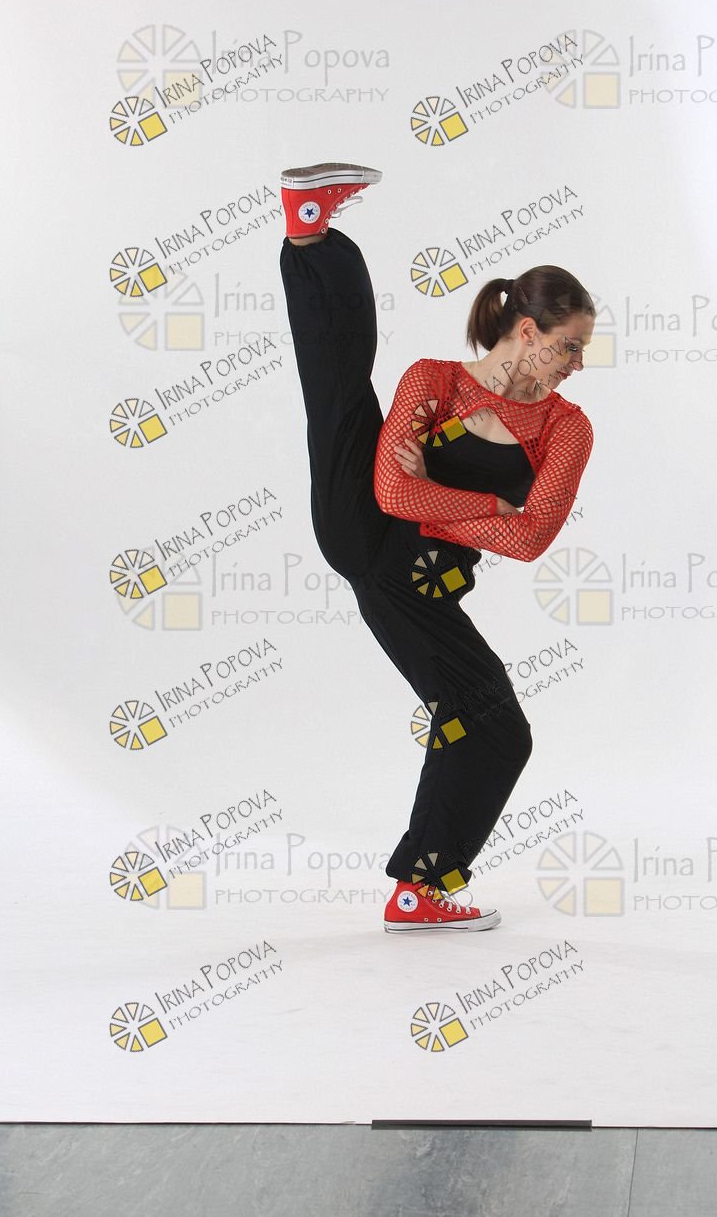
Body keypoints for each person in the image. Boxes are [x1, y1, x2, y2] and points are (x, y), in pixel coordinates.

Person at [279, 161, 595, 932]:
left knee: (492, 725)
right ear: (528, 333)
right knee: (340, 395)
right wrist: (488, 506)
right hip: (366, 531)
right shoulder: (433, 380)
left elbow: (531, 538)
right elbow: (394, 495)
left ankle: (420, 888)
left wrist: (441, 501)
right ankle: (310, 233)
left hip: (410, 579)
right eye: (569, 347)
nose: (578, 365)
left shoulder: (566, 428)